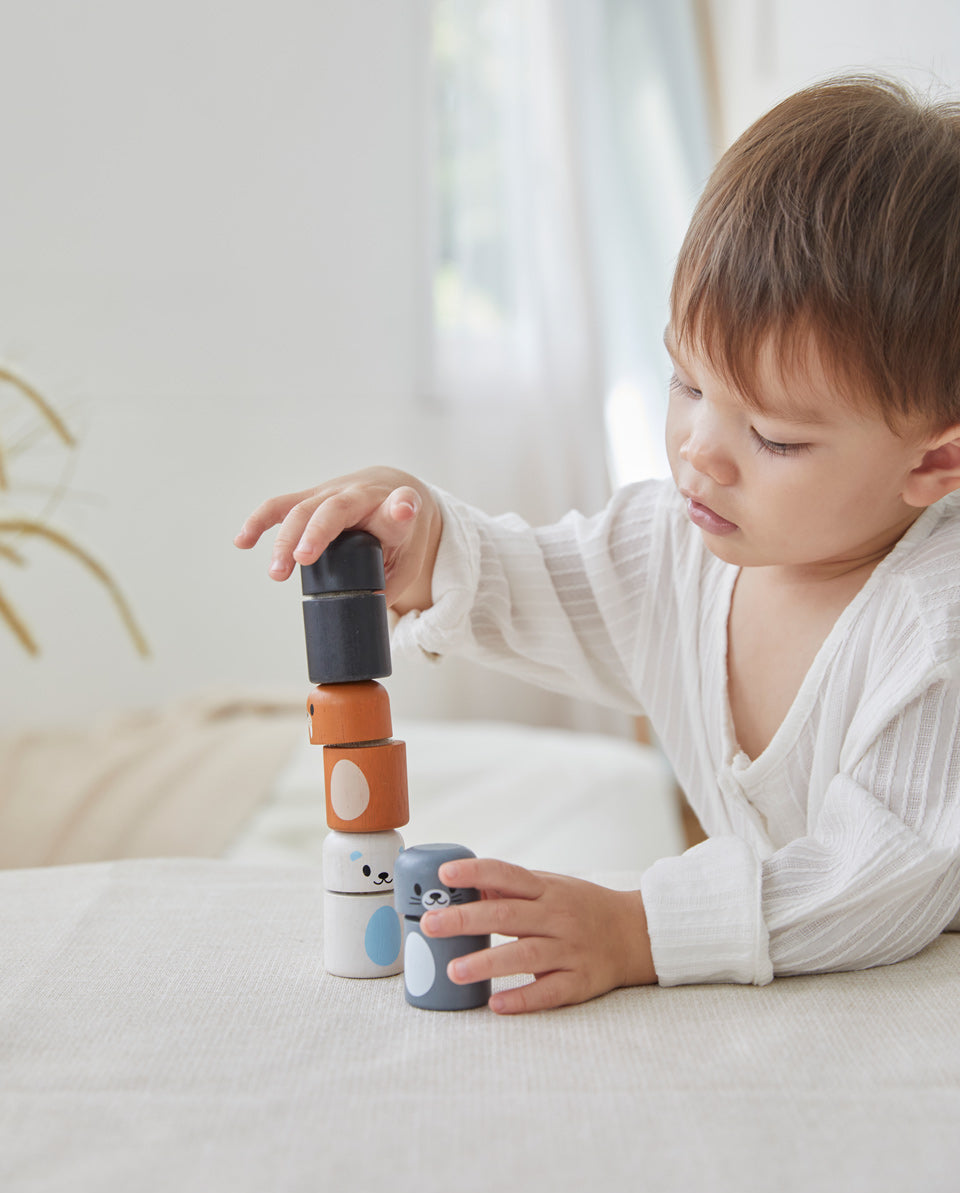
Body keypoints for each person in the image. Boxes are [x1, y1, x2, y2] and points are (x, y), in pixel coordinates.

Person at [235, 75, 960, 1014]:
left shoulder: (934, 631)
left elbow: (884, 880)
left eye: (774, 437)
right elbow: (541, 581)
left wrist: (639, 928)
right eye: (688, 384)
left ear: (936, 462)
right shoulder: (678, 545)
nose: (700, 449)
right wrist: (426, 543)